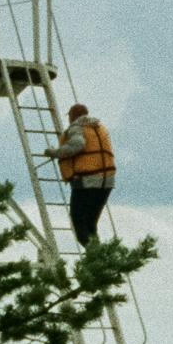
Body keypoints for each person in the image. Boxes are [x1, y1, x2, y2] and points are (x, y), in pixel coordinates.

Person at [54, 102, 116, 248]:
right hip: (107, 181)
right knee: (90, 223)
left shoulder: (77, 128)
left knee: (78, 222)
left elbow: (78, 144)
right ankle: (99, 257)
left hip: (87, 180)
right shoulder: (100, 127)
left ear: (72, 116)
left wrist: (55, 152)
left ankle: (95, 256)